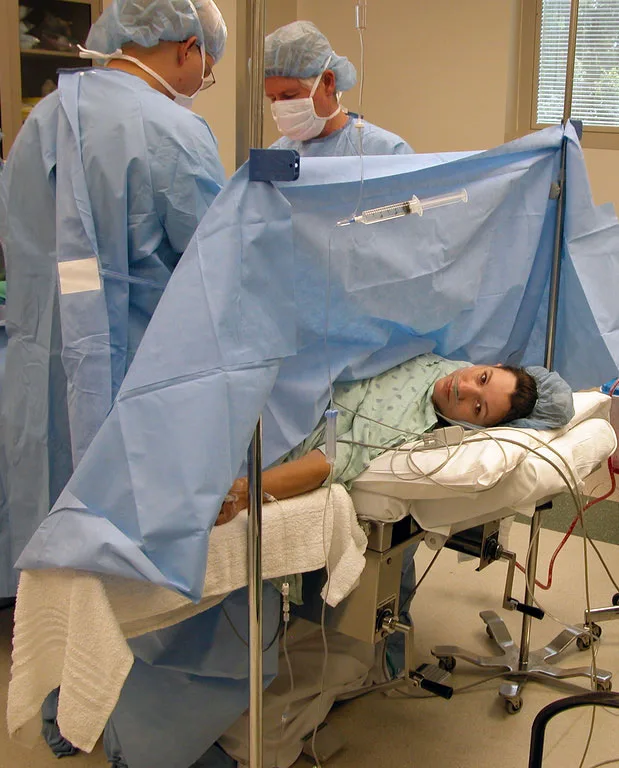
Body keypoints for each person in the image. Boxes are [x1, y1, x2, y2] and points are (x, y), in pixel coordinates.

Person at [0, 0, 228, 761]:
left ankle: (64, 707)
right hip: (133, 374)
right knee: (134, 557)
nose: (203, 79)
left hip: (40, 366)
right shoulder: (172, 129)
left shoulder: (43, 117)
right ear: (187, 47)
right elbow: (214, 266)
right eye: (207, 67)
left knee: (55, 531)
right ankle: (142, 724)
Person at [217, 353, 574, 521]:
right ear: (491, 366)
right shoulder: (446, 358)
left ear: (476, 429)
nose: (462, 388)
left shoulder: (403, 425)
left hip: (272, 421)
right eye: (482, 378)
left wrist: (243, 492)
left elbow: (328, 462)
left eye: (477, 408)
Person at [264, 20, 414, 157]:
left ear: (327, 82)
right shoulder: (275, 157)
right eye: (273, 98)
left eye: (289, 95)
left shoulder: (386, 152)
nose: (280, 106)